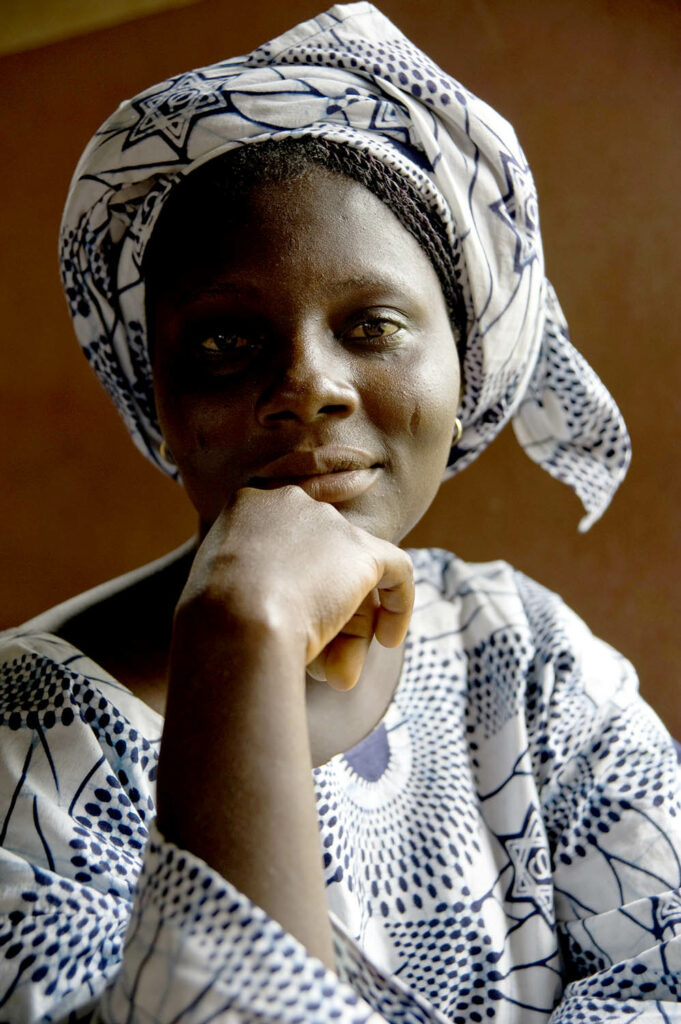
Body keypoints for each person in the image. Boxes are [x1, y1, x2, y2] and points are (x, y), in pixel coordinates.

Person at [1, 3, 679, 1021]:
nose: (308, 386)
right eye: (227, 342)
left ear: (466, 368)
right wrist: (239, 639)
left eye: (371, 323)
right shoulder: (27, 750)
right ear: (161, 404)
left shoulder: (529, 657)